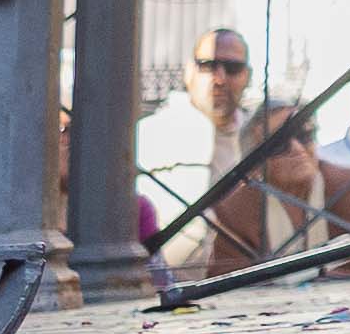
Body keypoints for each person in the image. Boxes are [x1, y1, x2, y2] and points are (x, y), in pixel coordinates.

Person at [135, 34, 319, 273]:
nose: (219, 78)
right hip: (165, 280)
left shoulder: (261, 135)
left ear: (247, 76)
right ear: (189, 72)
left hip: (244, 277)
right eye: (208, 66)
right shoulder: (149, 134)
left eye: (232, 68)